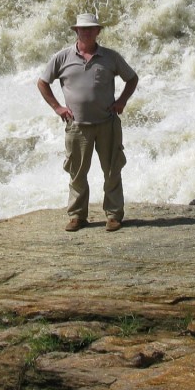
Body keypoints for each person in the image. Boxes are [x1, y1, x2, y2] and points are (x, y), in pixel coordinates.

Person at [37, 12, 139, 232]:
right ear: (76, 31)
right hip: (77, 126)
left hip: (107, 123)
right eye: (83, 29)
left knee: (112, 171)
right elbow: (43, 83)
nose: (87, 32)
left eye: (92, 28)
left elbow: (132, 78)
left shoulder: (111, 57)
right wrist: (57, 108)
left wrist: (121, 101)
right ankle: (77, 216)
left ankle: (113, 215)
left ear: (98, 31)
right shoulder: (62, 58)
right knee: (77, 173)